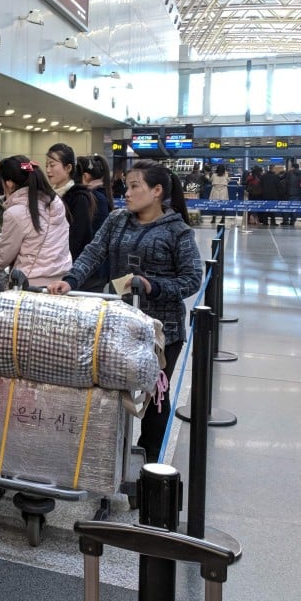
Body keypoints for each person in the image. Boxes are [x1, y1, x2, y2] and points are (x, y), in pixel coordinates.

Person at [48, 160, 202, 463]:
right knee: (112, 393)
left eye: (135, 187)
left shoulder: (178, 231)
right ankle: (109, 459)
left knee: (155, 397)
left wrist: (151, 285)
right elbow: (93, 252)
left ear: (157, 191)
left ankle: (149, 463)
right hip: (118, 326)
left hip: (162, 332)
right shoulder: (118, 219)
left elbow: (192, 279)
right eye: (126, 186)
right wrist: (70, 280)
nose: (126, 193)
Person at [0, 156, 71, 287]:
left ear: (9, 183)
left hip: (30, 282)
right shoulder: (55, 202)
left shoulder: (16, 213)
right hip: (61, 281)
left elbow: (4, 255)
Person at [46, 143, 96, 262]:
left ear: (68, 168)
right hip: (50, 260)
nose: (48, 170)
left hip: (68, 263)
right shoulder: (49, 195)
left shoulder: (79, 197)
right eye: (46, 165)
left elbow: (76, 238)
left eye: (52, 165)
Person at [76, 153, 114, 291]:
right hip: (97, 269)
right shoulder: (103, 195)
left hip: (89, 270)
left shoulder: (91, 199)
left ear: (85, 177)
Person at [284, 159, 301, 225]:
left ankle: (286, 221)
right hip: (297, 193)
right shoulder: (300, 173)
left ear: (293, 167)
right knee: (294, 208)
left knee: (287, 208)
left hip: (289, 193)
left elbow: (286, 182)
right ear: (298, 167)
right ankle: (292, 221)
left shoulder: (289, 173)